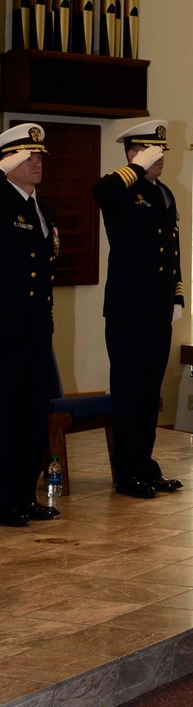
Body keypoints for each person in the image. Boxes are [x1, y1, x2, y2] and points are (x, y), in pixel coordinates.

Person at [93, 120, 185, 497]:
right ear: (133, 154)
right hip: (128, 309)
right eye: (151, 151)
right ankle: (126, 472)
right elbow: (101, 191)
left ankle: (145, 466)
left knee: (150, 393)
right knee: (129, 391)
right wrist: (133, 167)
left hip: (158, 308)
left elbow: (171, 249)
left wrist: (176, 294)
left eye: (161, 151)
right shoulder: (122, 191)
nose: (160, 157)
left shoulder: (163, 194)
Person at [0, 123, 60, 526]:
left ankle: (25, 495)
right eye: (30, 156)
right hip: (5, 331)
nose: (38, 162)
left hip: (37, 331)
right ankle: (4, 501)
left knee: (32, 418)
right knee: (5, 418)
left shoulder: (43, 208)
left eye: (39, 156)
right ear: (10, 161)